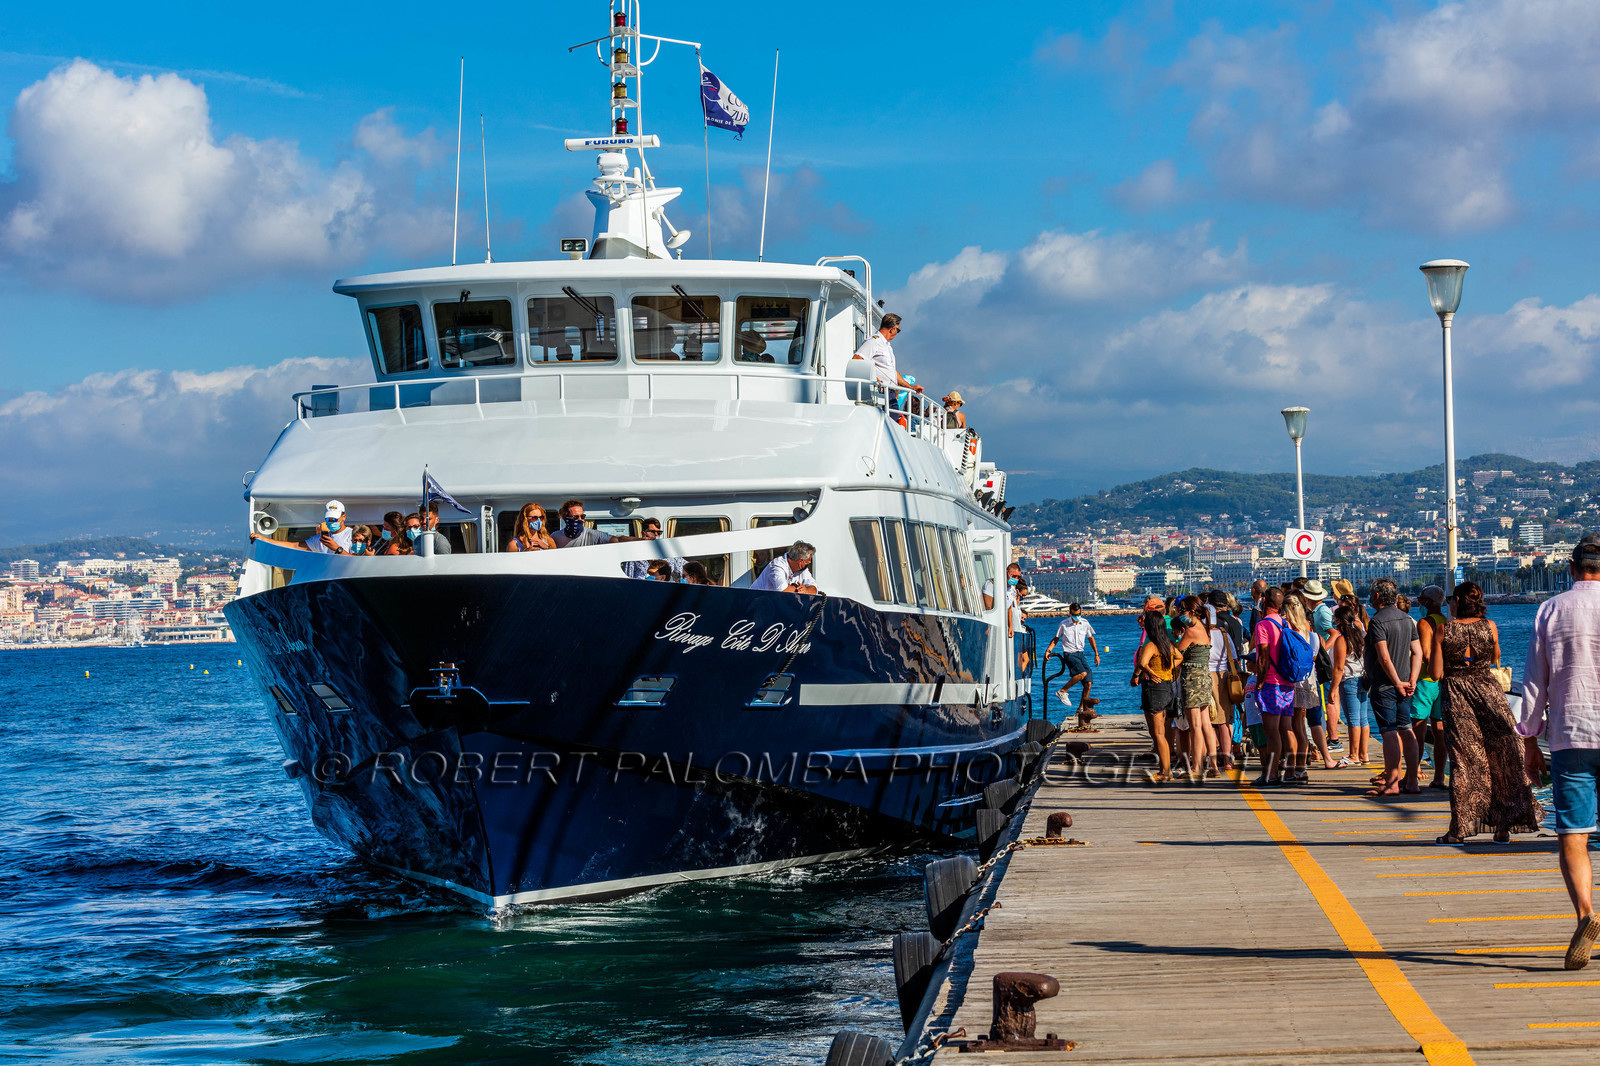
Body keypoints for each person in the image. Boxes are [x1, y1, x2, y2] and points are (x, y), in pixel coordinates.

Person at [1519, 533, 1600, 970]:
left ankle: (1586, 914)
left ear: (1572, 568)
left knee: (1574, 833)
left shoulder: (1551, 610)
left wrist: (1530, 740)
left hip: (1570, 735)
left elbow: (1534, 682)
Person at [1429, 581, 1543, 846]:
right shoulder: (1490, 626)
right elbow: (1495, 657)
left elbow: (1436, 674)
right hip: (1489, 692)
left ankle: (1459, 830)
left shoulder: (1443, 630)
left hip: (1457, 695)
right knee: (1501, 756)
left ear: (1457, 601)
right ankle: (1503, 827)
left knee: (1464, 760)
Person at [1365, 578, 1422, 797]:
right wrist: (1412, 679)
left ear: (1378, 596)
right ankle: (1412, 781)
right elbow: (1417, 652)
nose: (1370, 596)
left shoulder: (1378, 621)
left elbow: (1384, 656)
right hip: (1407, 684)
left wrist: (1397, 682)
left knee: (1389, 732)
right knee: (1406, 729)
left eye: (1371, 593)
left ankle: (1391, 783)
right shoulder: (1408, 619)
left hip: (1386, 685)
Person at [1252, 586, 1297, 785]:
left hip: (1271, 682)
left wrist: (1259, 682)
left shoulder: (1263, 625)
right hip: (1288, 681)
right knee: (1286, 728)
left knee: (1271, 731)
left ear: (1264, 601)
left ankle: (1270, 774)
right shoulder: (1286, 623)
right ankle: (1292, 771)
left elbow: (1263, 657)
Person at [1174, 595, 1218, 780]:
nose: (1180, 614)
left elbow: (1177, 651)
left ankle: (1197, 766)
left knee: (1195, 726)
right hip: (1204, 678)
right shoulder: (1205, 629)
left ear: (1191, 612)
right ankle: (1214, 765)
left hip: (1192, 679)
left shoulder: (1191, 631)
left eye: (1183, 611)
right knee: (1206, 724)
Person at [852, 313, 920, 426]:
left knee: (893, 427)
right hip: (881, 392)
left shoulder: (887, 346)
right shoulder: (874, 342)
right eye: (898, 331)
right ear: (892, 329)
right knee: (887, 428)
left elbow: (892, 372)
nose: (897, 333)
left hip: (890, 393)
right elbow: (857, 359)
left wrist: (911, 387)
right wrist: (873, 378)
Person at [1413, 585, 1449, 790]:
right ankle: (1439, 777)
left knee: (1417, 729)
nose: (1418, 602)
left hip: (1427, 680)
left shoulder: (1425, 623)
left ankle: (1414, 772)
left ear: (1427, 602)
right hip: (1443, 682)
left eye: (1421, 598)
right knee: (1439, 730)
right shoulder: (1448, 622)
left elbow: (1427, 653)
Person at [1136, 610, 1178, 783]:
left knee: (1158, 734)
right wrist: (1168, 669)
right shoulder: (1167, 643)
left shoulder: (1151, 645)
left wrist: (1152, 672)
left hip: (1155, 689)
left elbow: (1141, 663)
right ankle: (1165, 770)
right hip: (1167, 687)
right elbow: (1180, 657)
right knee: (1158, 733)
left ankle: (1165, 772)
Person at [1329, 604, 1369, 768]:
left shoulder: (1342, 639)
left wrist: (1333, 688)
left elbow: (1339, 667)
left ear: (1339, 621)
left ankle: (1353, 754)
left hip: (1349, 680)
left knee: (1353, 720)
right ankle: (1363, 753)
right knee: (1363, 719)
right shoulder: (1360, 635)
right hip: (1362, 678)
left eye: (1335, 619)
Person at [1045, 604, 1099, 712]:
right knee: (1082, 674)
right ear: (1070, 613)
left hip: (1081, 654)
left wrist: (1096, 654)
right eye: (1074, 614)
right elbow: (1056, 639)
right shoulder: (1064, 624)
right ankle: (1063, 691)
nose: (1077, 616)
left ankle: (1081, 709)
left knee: (1088, 682)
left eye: (1079, 614)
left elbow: (1091, 638)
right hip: (1069, 654)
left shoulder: (1085, 623)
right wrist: (1048, 650)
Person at [552, 499, 641, 549]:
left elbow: (618, 539)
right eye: (576, 517)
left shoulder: (593, 535)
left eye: (582, 516)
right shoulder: (555, 537)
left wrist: (642, 539)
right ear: (565, 518)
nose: (580, 520)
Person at [753, 541, 817, 594]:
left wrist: (806, 590)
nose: (809, 562)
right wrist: (799, 590)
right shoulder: (776, 565)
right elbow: (782, 589)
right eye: (808, 560)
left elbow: (815, 588)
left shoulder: (803, 569)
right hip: (755, 603)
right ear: (800, 561)